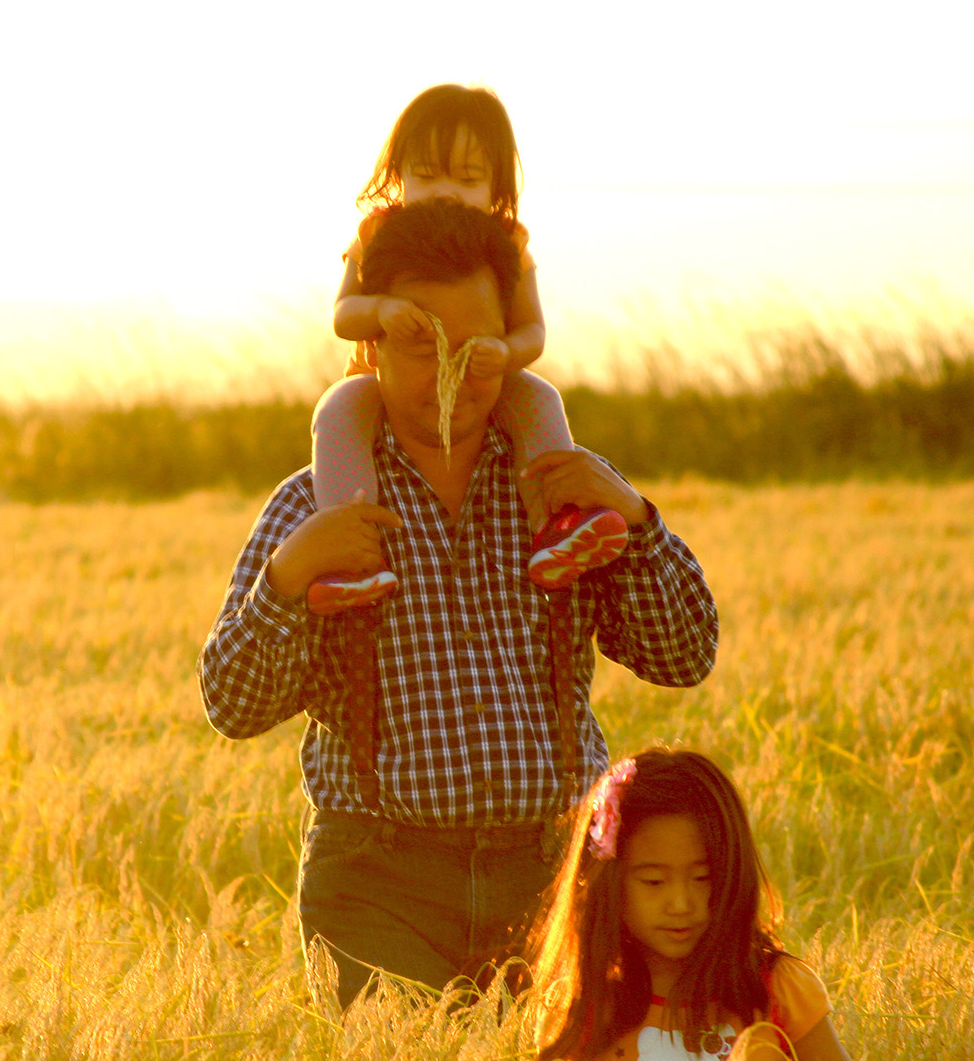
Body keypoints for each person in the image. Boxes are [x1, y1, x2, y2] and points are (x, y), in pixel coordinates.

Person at [198, 198, 720, 1009]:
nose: (452, 373)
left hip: (558, 878)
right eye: (423, 345)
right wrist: (289, 578)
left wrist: (637, 520)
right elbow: (231, 706)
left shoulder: (564, 495)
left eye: (477, 349)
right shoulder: (312, 505)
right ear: (372, 347)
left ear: (510, 346)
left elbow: (685, 655)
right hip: (376, 886)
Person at [306, 84, 627, 615]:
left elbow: (532, 331)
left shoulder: (508, 243)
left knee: (540, 399)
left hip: (484, 372)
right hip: (383, 384)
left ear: (496, 186)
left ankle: (557, 527)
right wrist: (381, 310)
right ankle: (351, 556)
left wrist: (505, 352)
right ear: (399, 175)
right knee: (337, 409)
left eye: (468, 179)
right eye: (427, 176)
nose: (446, 193)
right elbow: (343, 316)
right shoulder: (378, 233)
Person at [527, 749, 868, 1061]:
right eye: (654, 881)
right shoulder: (584, 1003)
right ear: (609, 883)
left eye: (703, 878)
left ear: (732, 873)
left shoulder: (777, 989)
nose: (681, 903)